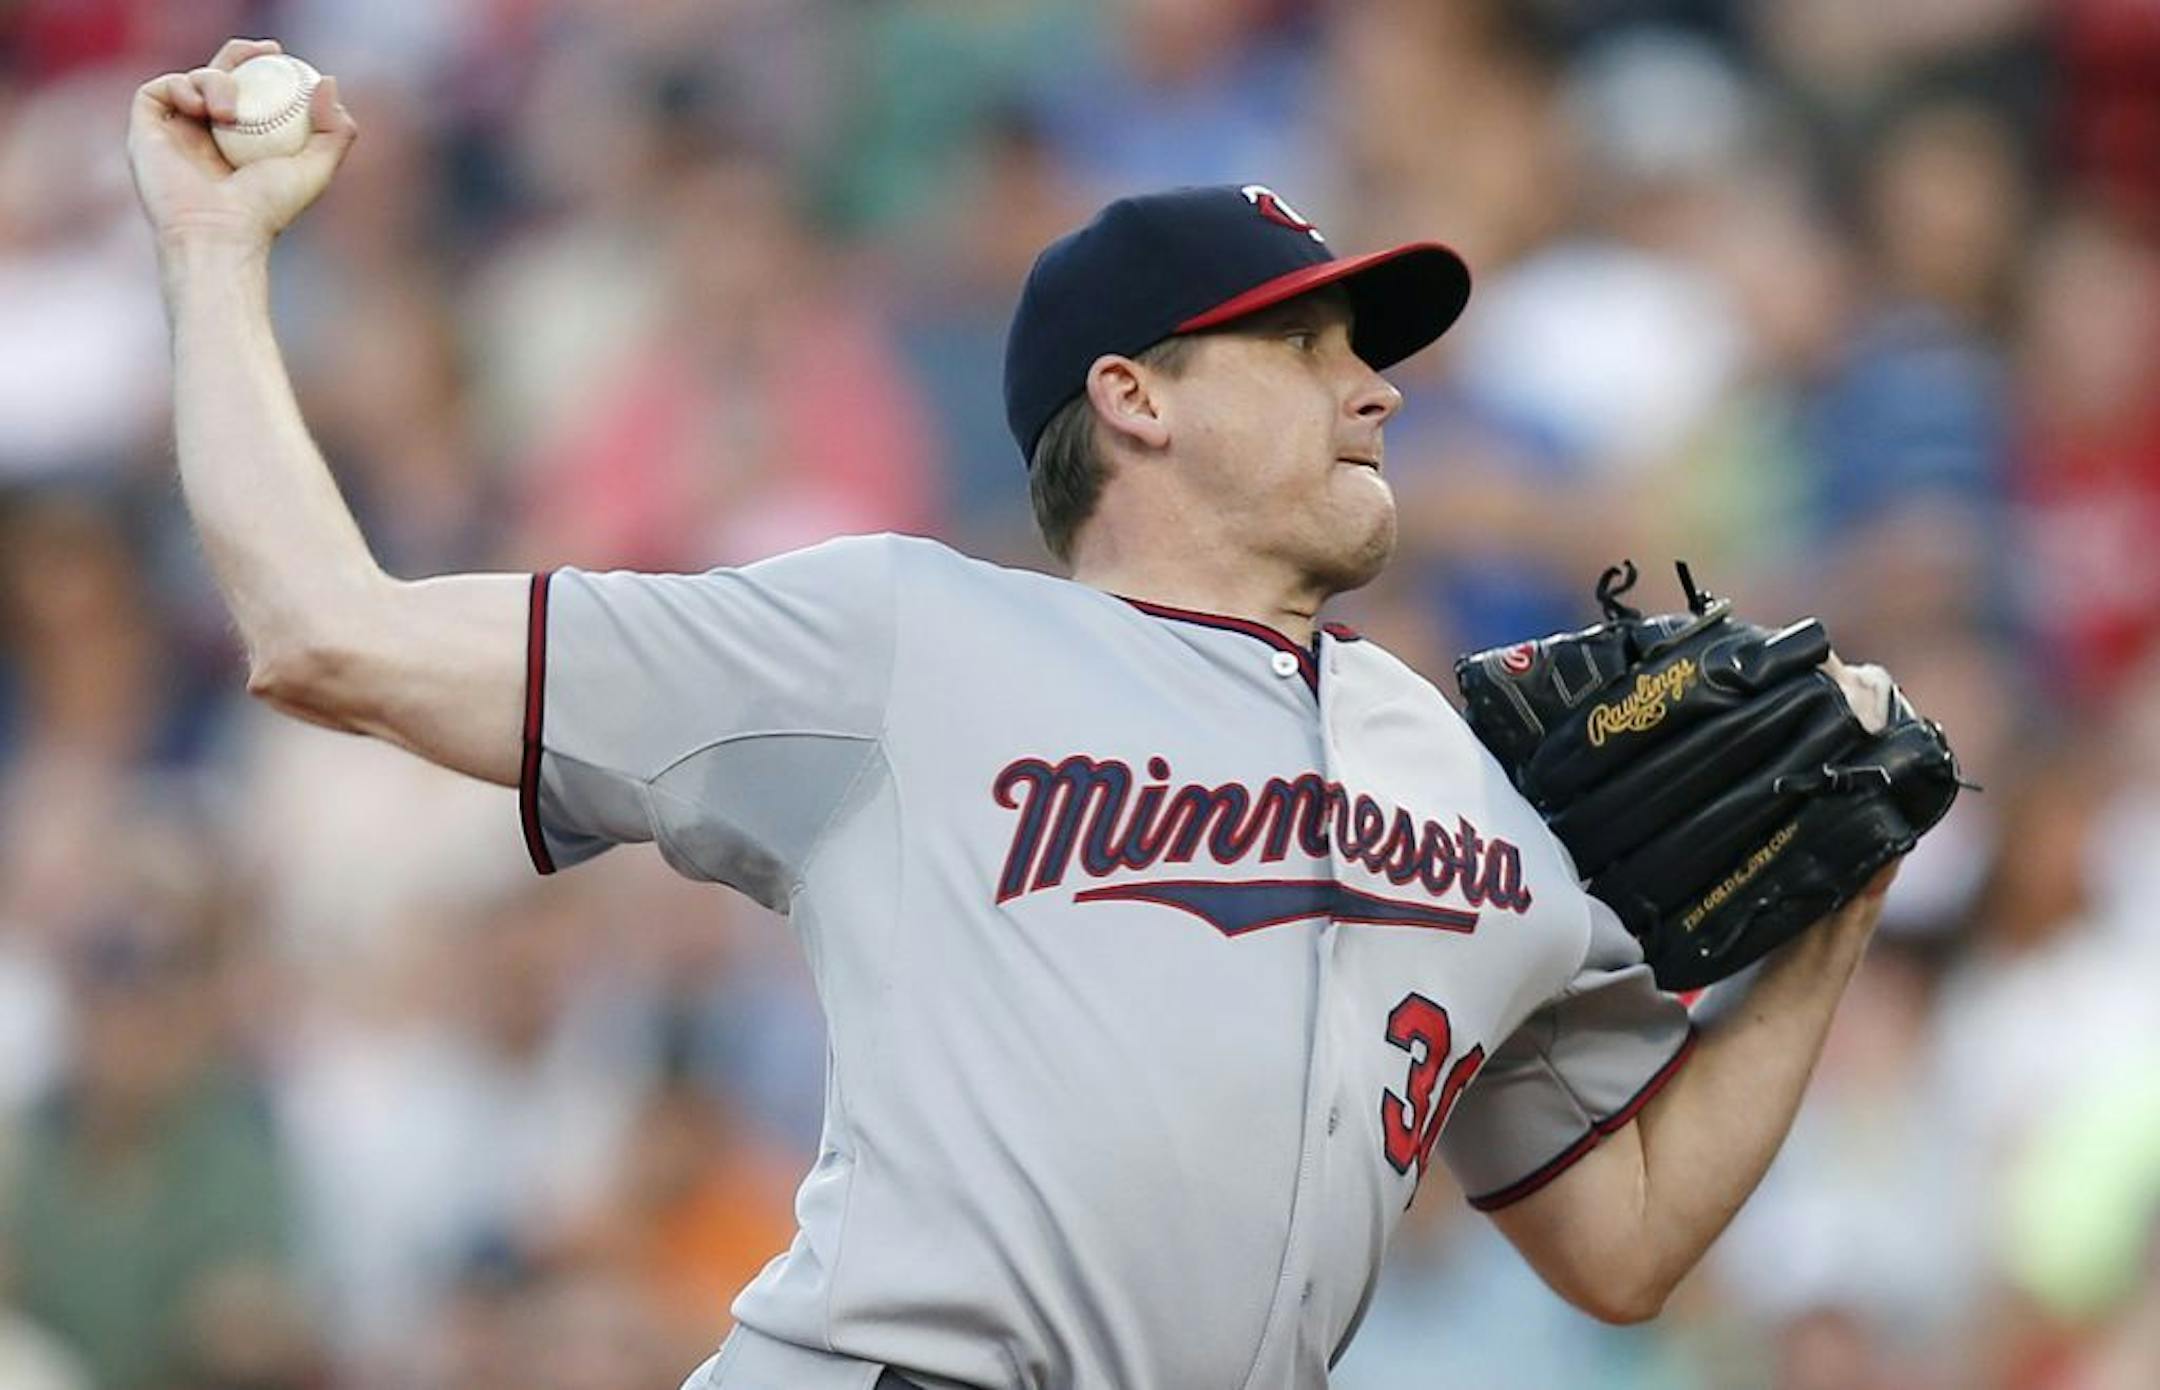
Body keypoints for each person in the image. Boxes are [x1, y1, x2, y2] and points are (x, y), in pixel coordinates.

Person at [128, 39, 1901, 1390]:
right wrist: (213, 254)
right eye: (1306, 345)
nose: (1375, 386)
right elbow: (322, 633)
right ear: (1131, 396)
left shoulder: (1484, 785)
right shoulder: (901, 636)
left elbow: (1629, 1241)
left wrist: (1839, 898)